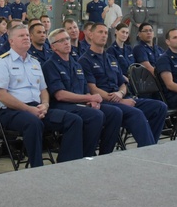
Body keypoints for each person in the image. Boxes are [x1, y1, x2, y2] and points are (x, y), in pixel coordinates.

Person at [0, 25, 82, 168]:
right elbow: (1, 95)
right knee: (34, 123)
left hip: (37, 108)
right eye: (21, 36)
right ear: (11, 41)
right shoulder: (2, 62)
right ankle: (36, 167)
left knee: (73, 120)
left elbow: (43, 90)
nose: (26, 38)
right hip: (12, 112)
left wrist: (45, 105)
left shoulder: (35, 62)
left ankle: (66, 164)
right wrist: (28, 109)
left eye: (27, 35)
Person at [80, 23, 166, 147]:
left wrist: (120, 93)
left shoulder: (111, 59)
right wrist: (119, 100)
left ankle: (148, 147)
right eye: (100, 32)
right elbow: (93, 89)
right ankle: (149, 149)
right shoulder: (85, 60)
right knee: (136, 113)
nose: (104, 35)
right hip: (104, 102)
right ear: (91, 35)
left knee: (160, 107)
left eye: (105, 32)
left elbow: (123, 83)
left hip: (121, 97)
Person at [43, 28, 122, 157]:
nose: (67, 42)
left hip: (80, 104)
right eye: (61, 40)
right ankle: (86, 155)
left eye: (67, 39)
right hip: (62, 105)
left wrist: (91, 99)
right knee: (95, 116)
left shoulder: (76, 64)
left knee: (115, 113)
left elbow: (85, 89)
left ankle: (105, 154)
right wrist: (88, 99)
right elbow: (60, 95)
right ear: (53, 46)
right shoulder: (50, 65)